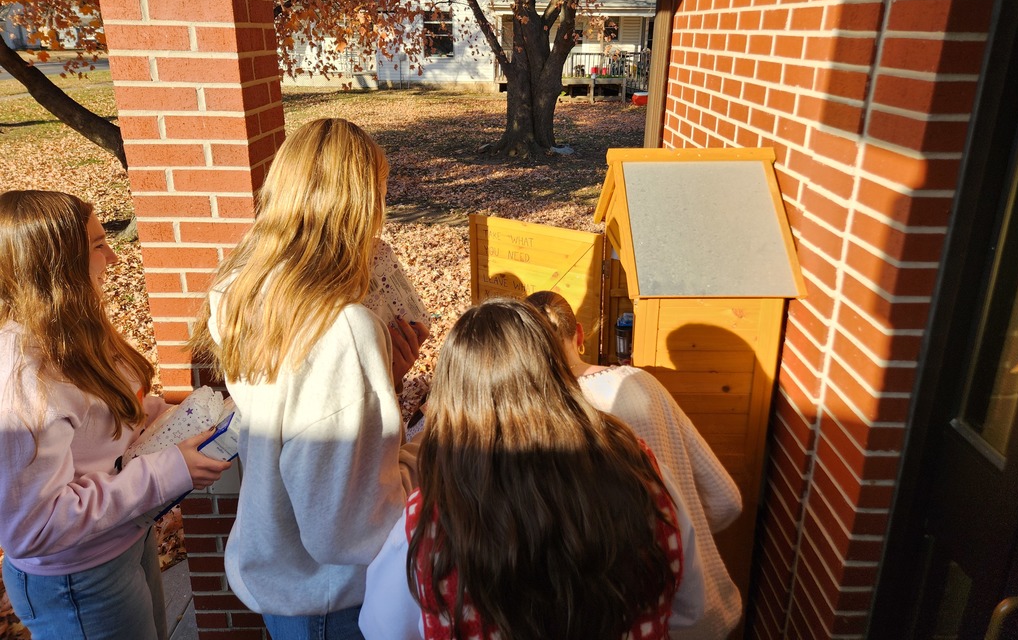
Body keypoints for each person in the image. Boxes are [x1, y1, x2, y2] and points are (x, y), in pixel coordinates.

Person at [190, 117, 428, 640]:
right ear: (359, 203)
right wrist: (423, 459)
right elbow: (347, 527)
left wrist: (378, 383)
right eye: (379, 195)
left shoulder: (242, 288)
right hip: (332, 598)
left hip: (281, 572)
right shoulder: (342, 326)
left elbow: (299, 421)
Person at [360, 297, 685, 640]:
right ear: (558, 373)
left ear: (454, 399)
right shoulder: (641, 472)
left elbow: (379, 627)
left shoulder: (429, 520)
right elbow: (688, 611)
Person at [0, 189, 230, 640]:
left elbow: (99, 421)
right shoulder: (23, 375)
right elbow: (33, 527)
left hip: (122, 539)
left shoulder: (71, 330)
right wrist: (167, 472)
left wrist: (164, 417)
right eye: (98, 246)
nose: (113, 259)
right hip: (78, 581)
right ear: (56, 267)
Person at [526, 290, 744, 640]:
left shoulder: (542, 421)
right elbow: (726, 500)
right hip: (708, 613)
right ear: (579, 335)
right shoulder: (643, 382)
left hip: (626, 623)